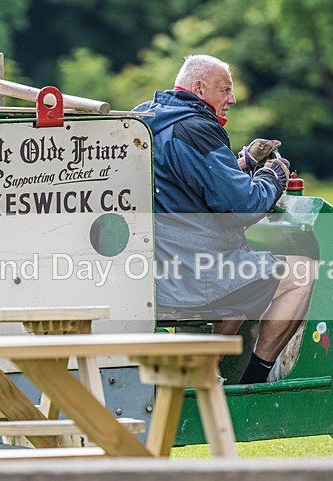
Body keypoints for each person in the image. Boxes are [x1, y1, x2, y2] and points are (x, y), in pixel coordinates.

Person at [133, 54, 315, 384]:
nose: (231, 99)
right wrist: (273, 177)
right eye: (224, 89)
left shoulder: (146, 118)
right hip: (188, 276)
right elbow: (242, 207)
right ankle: (253, 385)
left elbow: (184, 181)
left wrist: (241, 163)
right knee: (302, 272)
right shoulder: (197, 128)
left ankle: (208, 371)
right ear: (199, 87)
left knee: (244, 271)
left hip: (153, 270)